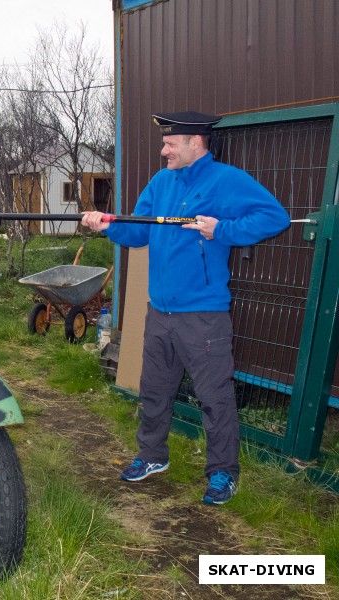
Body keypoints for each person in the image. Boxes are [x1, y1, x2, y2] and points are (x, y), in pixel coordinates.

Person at [81, 111, 290, 505]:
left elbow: (274, 216)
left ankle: (223, 473)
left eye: (170, 144)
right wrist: (107, 225)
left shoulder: (225, 180)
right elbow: (139, 231)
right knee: (155, 390)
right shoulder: (162, 182)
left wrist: (222, 230)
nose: (163, 151)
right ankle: (152, 456)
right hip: (159, 312)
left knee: (215, 397)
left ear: (196, 142)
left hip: (203, 316)